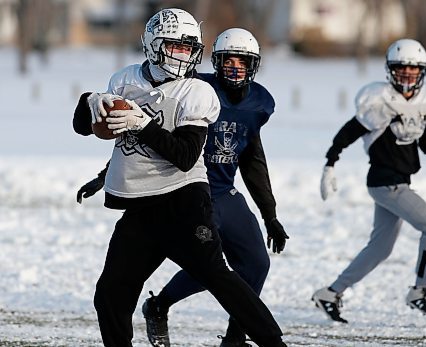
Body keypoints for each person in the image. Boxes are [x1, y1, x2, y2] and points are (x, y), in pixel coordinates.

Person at [72, 8, 287, 347]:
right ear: (153, 45)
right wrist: (90, 101)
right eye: (176, 46)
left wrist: (142, 124)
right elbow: (87, 128)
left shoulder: (196, 91)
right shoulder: (126, 80)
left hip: (183, 200)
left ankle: (272, 343)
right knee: (110, 294)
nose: (184, 55)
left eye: (189, 48)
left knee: (219, 276)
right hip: (140, 206)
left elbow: (187, 157)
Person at [312, 39, 426, 323]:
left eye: (413, 71)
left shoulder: (425, 103)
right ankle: (420, 290)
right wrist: (330, 162)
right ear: (391, 71)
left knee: (380, 248)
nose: (407, 76)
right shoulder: (378, 101)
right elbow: (349, 132)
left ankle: (330, 293)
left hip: (399, 182)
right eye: (401, 70)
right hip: (385, 183)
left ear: (422, 73)